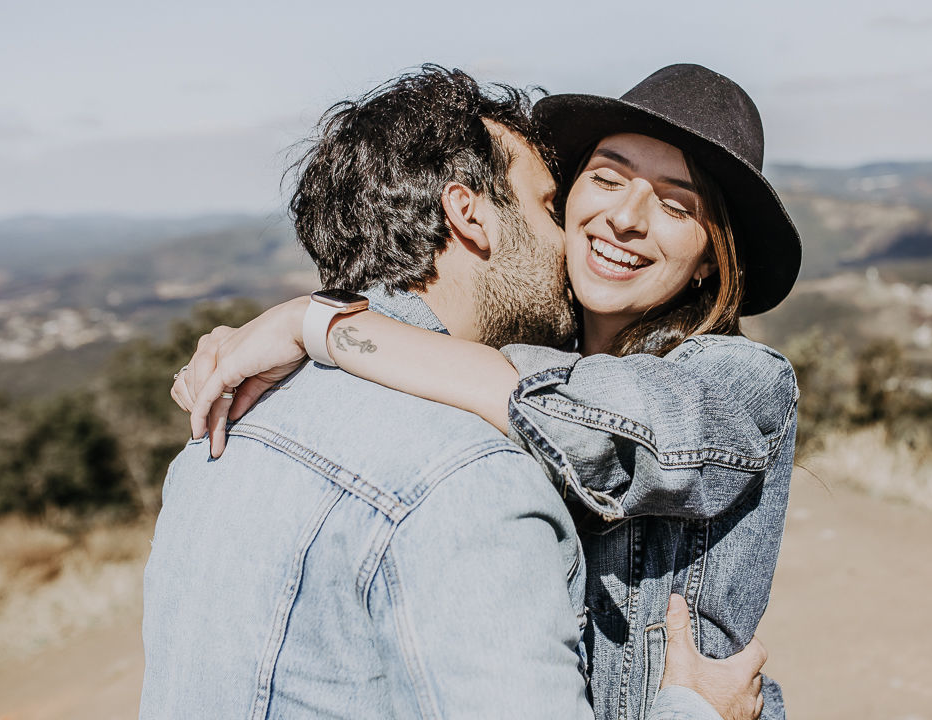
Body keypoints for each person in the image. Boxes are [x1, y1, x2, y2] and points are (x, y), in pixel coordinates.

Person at [146, 66, 766, 720]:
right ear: (469, 215)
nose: (588, 233)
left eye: (675, 204)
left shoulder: (223, 427)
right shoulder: (471, 476)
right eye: (554, 207)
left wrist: (315, 321)